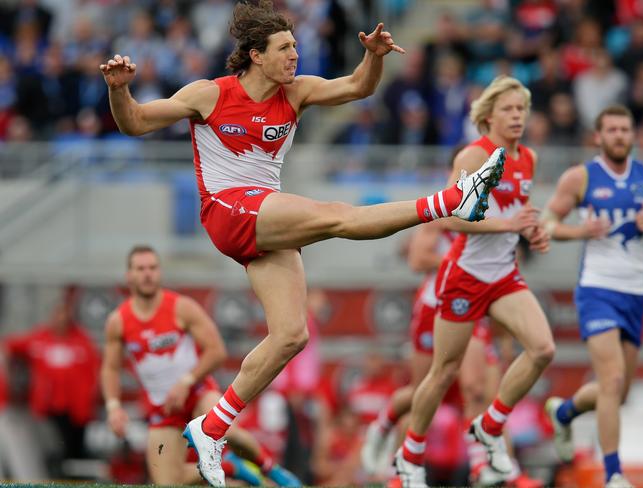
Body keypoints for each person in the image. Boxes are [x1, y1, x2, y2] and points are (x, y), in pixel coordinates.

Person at [99, 1, 506, 484]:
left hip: (264, 219)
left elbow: (357, 86)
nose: (296, 55)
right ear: (255, 55)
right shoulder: (209, 94)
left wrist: (374, 56)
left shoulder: (297, 93)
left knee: (292, 335)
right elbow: (136, 123)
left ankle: (212, 426)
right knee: (337, 216)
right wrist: (118, 91)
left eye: (295, 46)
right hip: (227, 210)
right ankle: (451, 201)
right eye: (285, 48)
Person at [393, 75, 555, 487]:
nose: (517, 116)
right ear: (488, 116)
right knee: (443, 372)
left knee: (542, 348)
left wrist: (531, 229)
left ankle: (490, 425)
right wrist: (508, 224)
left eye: (521, 109)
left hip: (503, 275)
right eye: (508, 109)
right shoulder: (472, 156)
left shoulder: (529, 159)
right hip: (464, 274)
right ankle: (410, 455)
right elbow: (446, 216)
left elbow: (520, 207)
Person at [100, 245, 300, 486]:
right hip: (163, 408)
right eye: (140, 269)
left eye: (152, 268)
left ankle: (273, 470)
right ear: (129, 276)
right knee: (167, 483)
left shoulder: (180, 307)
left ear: (160, 272)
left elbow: (216, 351)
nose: (147, 274)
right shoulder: (118, 321)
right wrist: (113, 407)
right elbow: (110, 368)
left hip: (197, 393)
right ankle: (230, 466)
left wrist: (186, 382)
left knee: (231, 433)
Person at [542, 105, 643, 488]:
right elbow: (548, 224)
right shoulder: (581, 178)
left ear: (633, 135)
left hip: (636, 291)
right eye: (612, 130)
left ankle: (566, 413)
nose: (619, 135)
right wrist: (580, 231)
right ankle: (614, 475)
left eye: (625, 129)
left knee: (616, 394)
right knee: (612, 379)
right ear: (598, 137)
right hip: (597, 289)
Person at [360, 221, 501, 477]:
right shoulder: (444, 214)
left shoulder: (496, 213)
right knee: (421, 392)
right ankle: (382, 429)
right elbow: (417, 260)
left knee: (476, 390)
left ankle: (480, 465)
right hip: (434, 305)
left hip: (470, 305)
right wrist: (462, 262)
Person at [0, 290, 100, 472]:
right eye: (58, 313)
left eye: (65, 313)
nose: (61, 318)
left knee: (73, 455)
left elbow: (95, 372)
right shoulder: (39, 338)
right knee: (50, 450)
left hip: (76, 412)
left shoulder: (82, 342)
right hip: (47, 410)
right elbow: (9, 345)